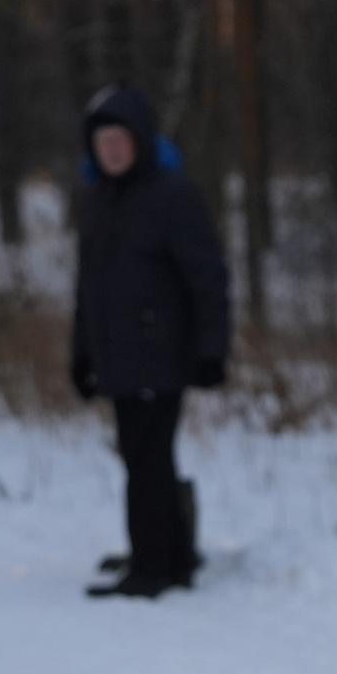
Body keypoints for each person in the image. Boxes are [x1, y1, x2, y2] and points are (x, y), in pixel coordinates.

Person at [70, 83, 232, 599]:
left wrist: (212, 349)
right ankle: (171, 552)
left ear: (139, 141)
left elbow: (207, 277)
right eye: (103, 142)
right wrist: (81, 353)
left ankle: (154, 567)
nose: (112, 150)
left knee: (148, 458)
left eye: (120, 140)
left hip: (161, 351)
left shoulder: (172, 195)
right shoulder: (95, 200)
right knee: (139, 455)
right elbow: (88, 287)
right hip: (117, 354)